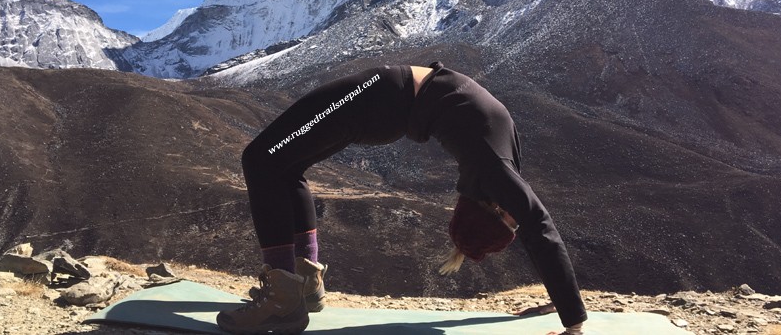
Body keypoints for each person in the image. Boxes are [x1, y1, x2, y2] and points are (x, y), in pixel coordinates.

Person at [217, 62, 588, 334]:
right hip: (386, 103)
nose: (517, 217)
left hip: (377, 98)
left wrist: (574, 327)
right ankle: (306, 284)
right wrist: (563, 304)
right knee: (285, 166)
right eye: (512, 222)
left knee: (260, 159)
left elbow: (540, 230)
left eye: (509, 221)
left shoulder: (494, 175)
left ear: (491, 208)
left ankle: (283, 300)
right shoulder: (500, 175)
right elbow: (538, 234)